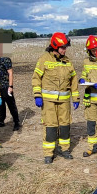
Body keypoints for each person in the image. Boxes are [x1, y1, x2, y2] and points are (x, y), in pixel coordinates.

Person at [31, 32, 78, 164]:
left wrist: (76, 98)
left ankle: (64, 150)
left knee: (65, 126)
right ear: (55, 46)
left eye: (66, 47)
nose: (65, 50)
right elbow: (36, 79)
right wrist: (37, 96)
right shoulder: (44, 59)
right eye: (62, 47)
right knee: (50, 127)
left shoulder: (67, 61)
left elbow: (73, 80)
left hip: (64, 101)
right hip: (48, 102)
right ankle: (48, 153)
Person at [79, 35, 97, 157]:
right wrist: (82, 79)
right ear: (89, 51)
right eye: (93, 50)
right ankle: (92, 147)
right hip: (90, 99)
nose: (95, 52)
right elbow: (84, 75)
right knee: (91, 124)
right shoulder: (86, 62)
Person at [0, 42, 20, 130]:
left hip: (6, 86)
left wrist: (10, 87)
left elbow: (10, 73)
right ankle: (1, 121)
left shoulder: (6, 59)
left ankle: (16, 122)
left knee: (11, 105)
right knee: (0, 105)